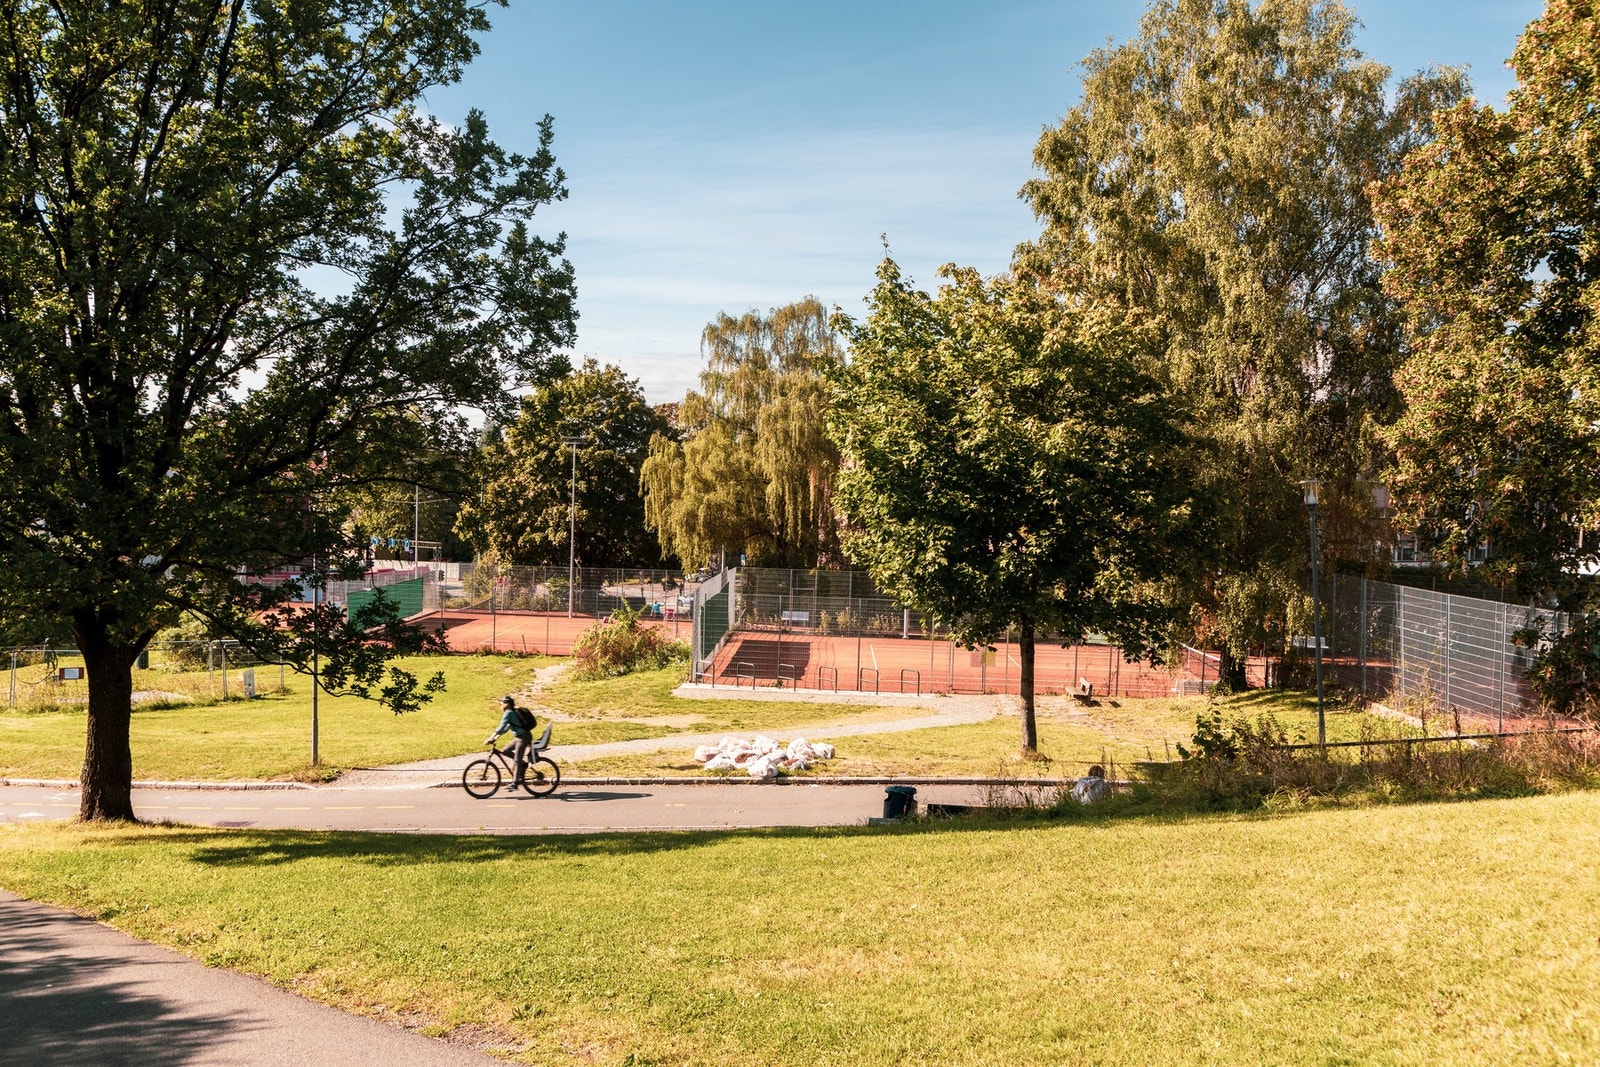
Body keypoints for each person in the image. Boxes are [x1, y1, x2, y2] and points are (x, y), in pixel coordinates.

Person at [485, 695, 536, 789]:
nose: (501, 704)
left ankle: (515, 784)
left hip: (523, 737)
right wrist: (495, 738)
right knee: (505, 751)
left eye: (503, 702)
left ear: (507, 704)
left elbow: (501, 726)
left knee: (517, 760)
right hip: (519, 737)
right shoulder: (510, 713)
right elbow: (505, 728)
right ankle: (523, 764)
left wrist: (490, 737)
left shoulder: (508, 713)